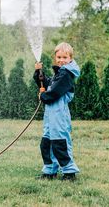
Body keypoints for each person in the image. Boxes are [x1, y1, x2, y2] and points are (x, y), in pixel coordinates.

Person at [34, 42, 80, 181]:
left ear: (70, 59)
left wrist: (43, 96)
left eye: (65, 57)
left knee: (60, 142)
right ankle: (50, 171)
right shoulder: (59, 73)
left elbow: (54, 92)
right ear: (55, 57)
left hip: (59, 114)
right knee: (47, 143)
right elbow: (48, 84)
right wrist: (38, 73)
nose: (61, 60)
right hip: (50, 115)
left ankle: (69, 172)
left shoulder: (66, 74)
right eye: (59, 57)